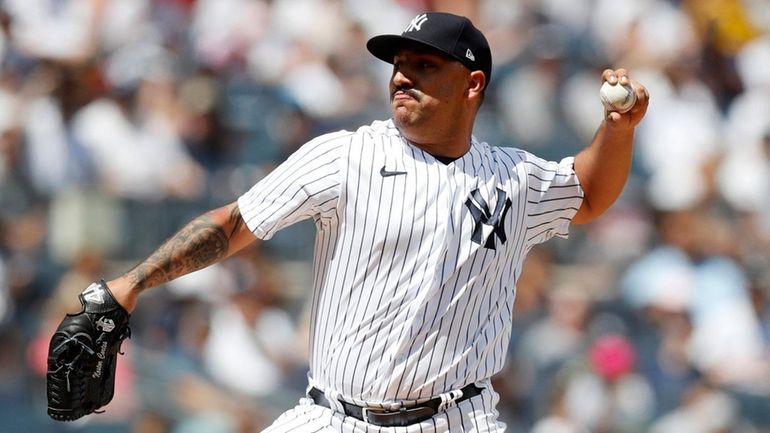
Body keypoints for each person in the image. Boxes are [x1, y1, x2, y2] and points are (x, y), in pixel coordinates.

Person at [82, 12, 649, 432]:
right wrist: (131, 283)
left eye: (424, 66)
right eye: (398, 67)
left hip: (457, 419)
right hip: (333, 417)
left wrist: (618, 129)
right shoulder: (345, 156)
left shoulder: (514, 178)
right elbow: (233, 225)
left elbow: (590, 194)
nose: (402, 78)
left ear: (472, 85)